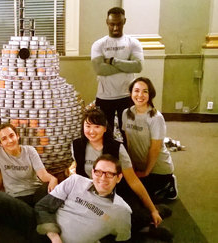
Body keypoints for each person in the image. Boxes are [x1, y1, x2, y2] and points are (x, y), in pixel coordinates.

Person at [0, 154, 131, 243]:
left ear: (119, 177)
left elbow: (121, 239)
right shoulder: (76, 181)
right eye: (99, 172)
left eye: (110, 174)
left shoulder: (121, 211)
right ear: (92, 172)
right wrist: (54, 236)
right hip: (43, 230)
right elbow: (42, 207)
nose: (102, 178)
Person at [71, 107, 173, 241]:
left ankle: (152, 213)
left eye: (97, 126)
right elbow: (75, 166)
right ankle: (145, 228)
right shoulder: (77, 145)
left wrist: (152, 209)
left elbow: (133, 181)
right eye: (88, 126)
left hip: (117, 193)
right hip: (91, 194)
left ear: (105, 128)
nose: (91, 131)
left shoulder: (117, 148)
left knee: (129, 216)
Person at [91, 7, 144, 141]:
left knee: (128, 134)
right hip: (104, 97)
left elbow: (138, 66)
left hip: (126, 96)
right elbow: (99, 69)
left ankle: (130, 162)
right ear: (107, 23)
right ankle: (108, 161)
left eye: (119, 24)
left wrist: (112, 61)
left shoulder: (133, 43)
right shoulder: (98, 44)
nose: (115, 28)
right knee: (105, 135)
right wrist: (126, 65)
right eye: (112, 24)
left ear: (124, 21)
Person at [122, 77, 177, 201]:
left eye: (145, 91)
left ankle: (169, 183)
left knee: (144, 199)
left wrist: (146, 172)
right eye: (136, 91)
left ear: (150, 94)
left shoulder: (156, 118)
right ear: (131, 93)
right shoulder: (126, 113)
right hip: (139, 166)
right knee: (126, 192)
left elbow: (155, 148)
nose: (140, 95)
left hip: (157, 169)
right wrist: (131, 166)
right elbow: (129, 142)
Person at [0, 123, 58, 207]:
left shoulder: (30, 151)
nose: (10, 140)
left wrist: (53, 179)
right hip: (16, 197)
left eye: (12, 136)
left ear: (17, 136)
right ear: (0, 143)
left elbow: (43, 175)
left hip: (36, 192)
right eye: (4, 139)